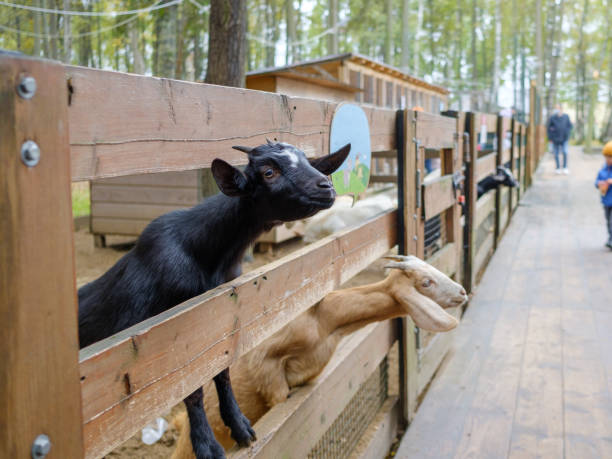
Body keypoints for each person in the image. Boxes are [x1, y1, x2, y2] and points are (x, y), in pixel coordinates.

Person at [546, 104, 573, 174]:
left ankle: (565, 167)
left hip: (564, 138)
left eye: (558, 108)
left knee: (565, 152)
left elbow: (570, 126)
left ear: (561, 109)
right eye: (556, 108)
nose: (557, 110)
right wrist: (551, 137)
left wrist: (567, 134)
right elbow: (549, 128)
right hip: (555, 139)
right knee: (556, 153)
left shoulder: (566, 117)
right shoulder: (552, 118)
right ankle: (557, 168)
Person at [595, 141, 612, 249]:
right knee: (608, 220)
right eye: (606, 157)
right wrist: (599, 183)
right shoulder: (603, 170)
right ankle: (610, 237)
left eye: (610, 157)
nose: (608, 159)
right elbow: (596, 181)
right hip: (606, 200)